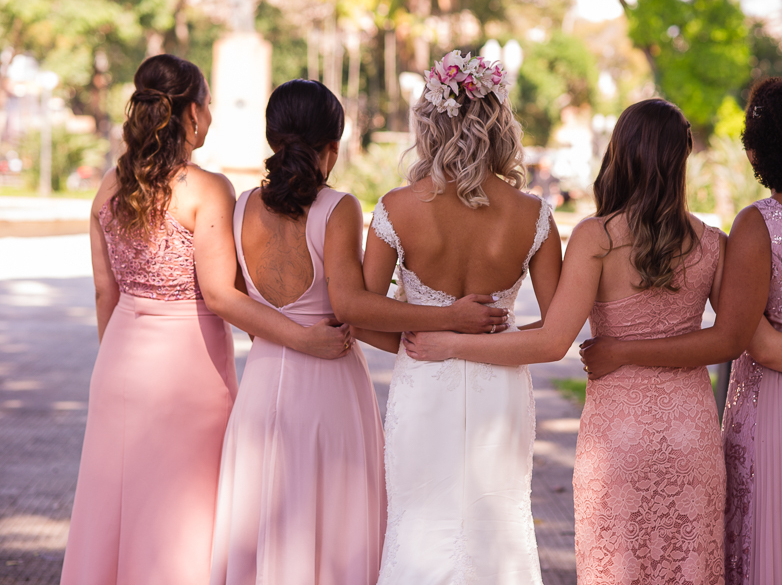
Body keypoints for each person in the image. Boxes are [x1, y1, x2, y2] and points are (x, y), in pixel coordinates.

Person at [403, 97, 782, 584]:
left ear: (619, 154)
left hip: (617, 442)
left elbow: (552, 339)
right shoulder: (713, 243)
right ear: (682, 161)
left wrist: (453, 343)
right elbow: (729, 340)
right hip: (691, 438)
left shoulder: (596, 238)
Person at [61, 55, 357, 585]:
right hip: (187, 369)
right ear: (193, 114)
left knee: (114, 511)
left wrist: (117, 365)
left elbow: (106, 291)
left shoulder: (108, 186)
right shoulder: (208, 188)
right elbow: (221, 297)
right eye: (210, 106)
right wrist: (304, 339)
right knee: (183, 520)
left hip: (118, 362)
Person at [581, 79, 782, 583]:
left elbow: (751, 342)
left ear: (759, 150)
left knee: (768, 559)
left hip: (777, 417)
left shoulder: (759, 222)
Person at [208, 78, 510, 585]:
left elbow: (233, 299)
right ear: (333, 146)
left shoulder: (239, 208)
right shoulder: (337, 207)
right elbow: (351, 304)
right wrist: (449, 319)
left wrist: (282, 337)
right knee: (335, 526)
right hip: (329, 388)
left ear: (272, 137)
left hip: (260, 388)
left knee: (261, 522)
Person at [333, 50, 563, 584]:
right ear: (499, 122)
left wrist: (428, 337)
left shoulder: (395, 209)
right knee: (498, 525)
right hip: (501, 387)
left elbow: (365, 316)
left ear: (430, 123)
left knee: (418, 525)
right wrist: (476, 331)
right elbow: (557, 329)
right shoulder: (535, 216)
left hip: (423, 383)